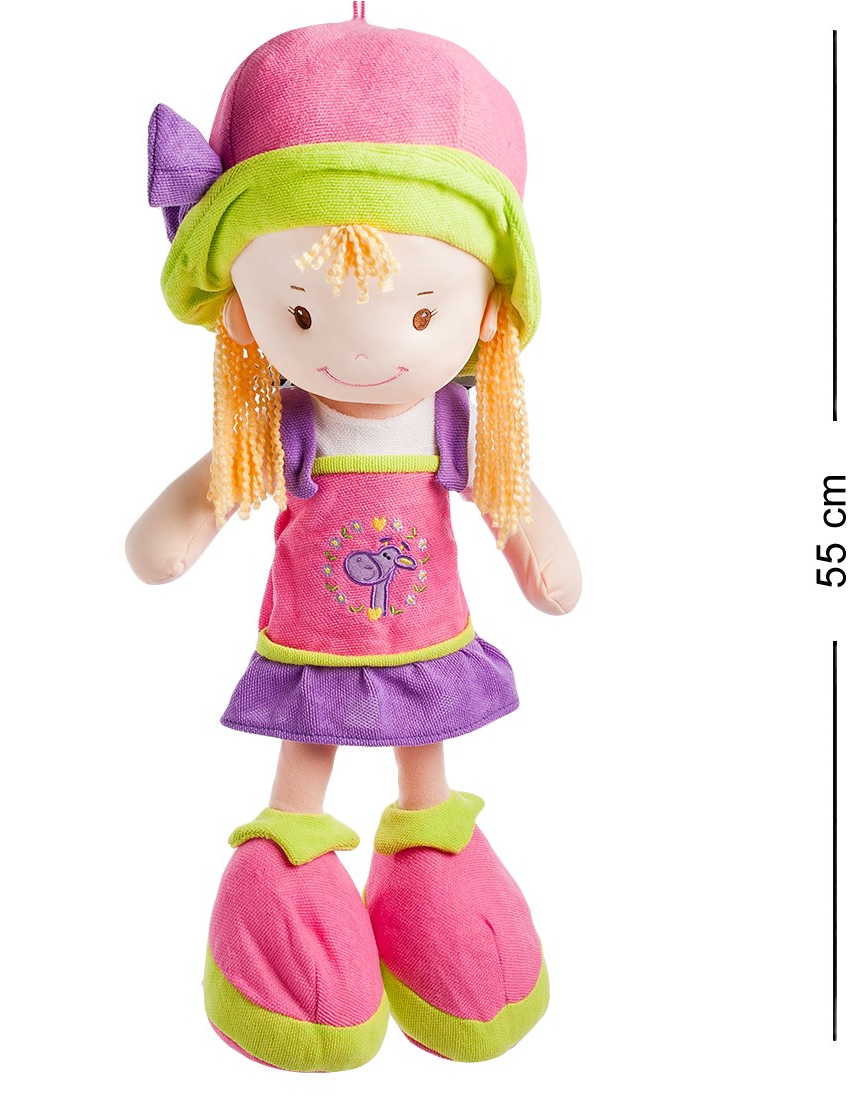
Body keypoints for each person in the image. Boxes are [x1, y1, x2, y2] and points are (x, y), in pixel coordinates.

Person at [126, 11, 581, 1071]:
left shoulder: (453, 423)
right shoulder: (285, 426)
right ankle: (286, 879)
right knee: (306, 768)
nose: (364, 350)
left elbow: (508, 494)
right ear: (244, 315)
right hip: (314, 648)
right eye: (301, 313)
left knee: (427, 775)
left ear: (487, 309)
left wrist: (539, 550)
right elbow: (214, 490)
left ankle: (433, 865)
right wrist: (174, 534)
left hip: (427, 642)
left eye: (423, 314)